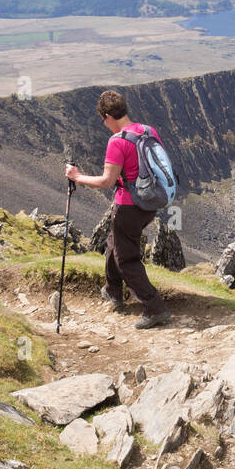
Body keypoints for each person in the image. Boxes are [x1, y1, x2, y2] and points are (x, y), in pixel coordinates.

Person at [65, 90, 170, 329]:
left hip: (128, 207)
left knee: (126, 258)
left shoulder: (117, 141)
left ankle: (155, 308)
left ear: (108, 116)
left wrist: (77, 177)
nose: (104, 124)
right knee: (115, 242)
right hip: (149, 203)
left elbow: (106, 181)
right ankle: (113, 291)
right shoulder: (147, 130)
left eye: (103, 119)